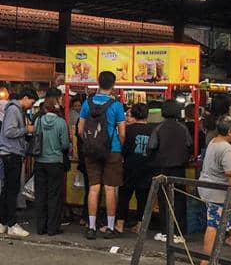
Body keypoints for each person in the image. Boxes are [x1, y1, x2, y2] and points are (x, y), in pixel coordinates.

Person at [77, 71, 127, 239]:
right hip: (112, 150)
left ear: (98, 83)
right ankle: (110, 227)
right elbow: (122, 133)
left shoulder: (87, 103)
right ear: (113, 85)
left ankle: (91, 227)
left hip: (91, 151)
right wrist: (118, 146)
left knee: (93, 188)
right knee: (110, 188)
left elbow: (80, 129)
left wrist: (89, 144)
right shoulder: (116, 105)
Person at [197, 115, 231, 265]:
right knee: (214, 224)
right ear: (230, 132)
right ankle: (206, 260)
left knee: (230, 221)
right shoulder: (226, 148)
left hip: (208, 188)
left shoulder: (213, 142)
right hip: (219, 192)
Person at [148, 99, 193, 235]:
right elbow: (189, 145)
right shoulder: (183, 128)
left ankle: (165, 232)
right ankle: (180, 233)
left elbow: (151, 146)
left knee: (164, 200)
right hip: (179, 168)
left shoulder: (159, 128)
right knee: (179, 200)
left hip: (162, 169)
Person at [0, 87, 36, 239]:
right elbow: (9, 131)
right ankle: (12, 224)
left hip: (8, 152)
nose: (31, 106)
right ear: (25, 98)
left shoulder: (14, 109)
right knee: (12, 190)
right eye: (31, 103)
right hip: (12, 153)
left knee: (7, 189)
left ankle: (3, 222)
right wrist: (26, 129)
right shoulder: (14, 110)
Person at [32, 98, 69, 236]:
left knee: (40, 195)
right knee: (54, 196)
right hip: (56, 162)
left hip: (40, 162)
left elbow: (35, 137)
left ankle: (40, 228)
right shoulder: (61, 123)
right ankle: (52, 228)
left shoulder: (38, 121)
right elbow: (65, 144)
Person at [118, 103, 154, 235]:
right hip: (147, 168)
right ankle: (140, 226)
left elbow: (123, 148)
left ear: (133, 115)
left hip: (129, 166)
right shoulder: (153, 130)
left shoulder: (127, 130)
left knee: (124, 196)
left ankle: (120, 224)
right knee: (143, 198)